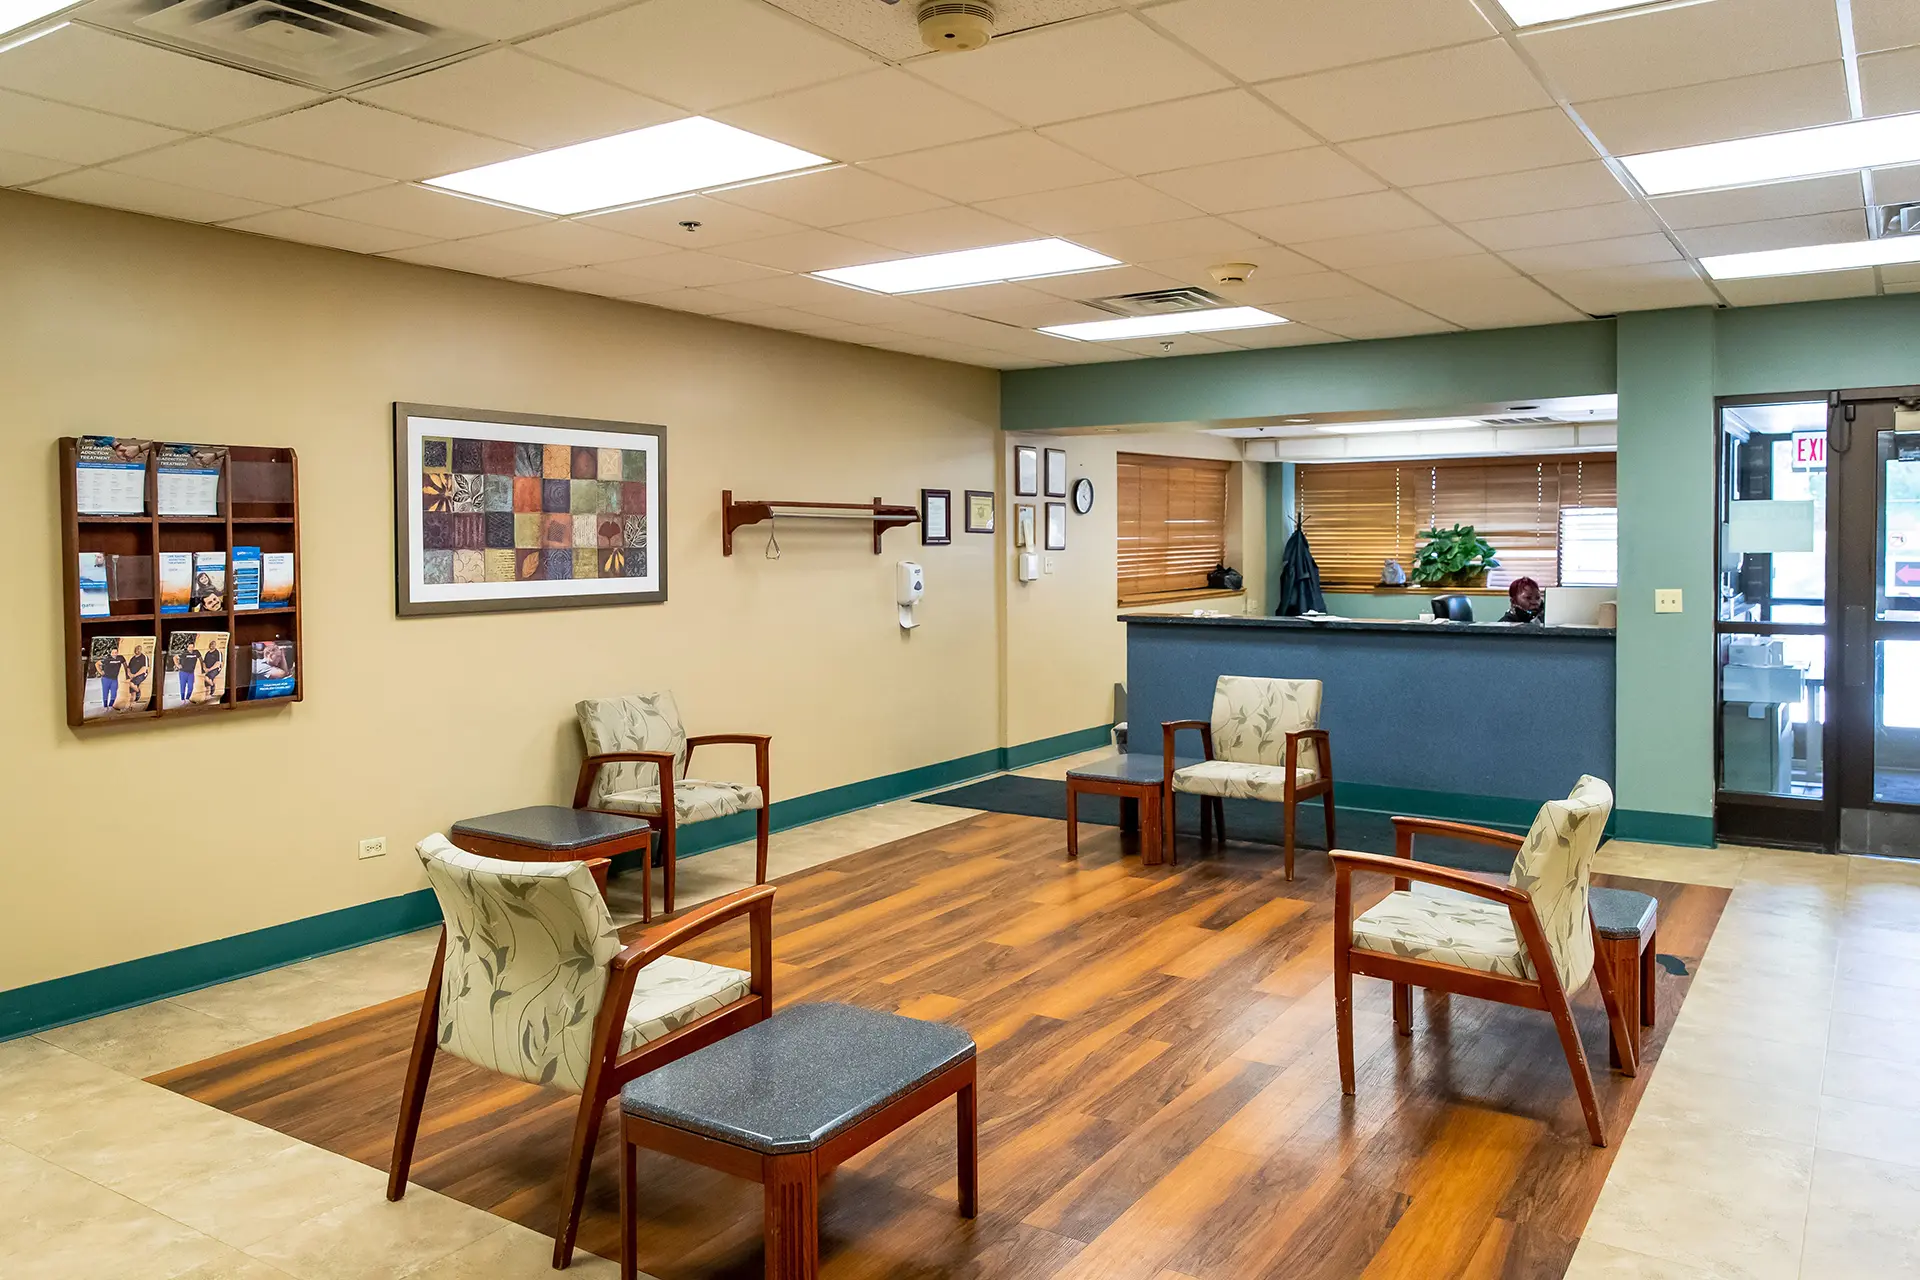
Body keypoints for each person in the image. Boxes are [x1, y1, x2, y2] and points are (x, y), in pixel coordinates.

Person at [98, 644, 125, 711]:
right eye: (113, 652)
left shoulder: (120, 658)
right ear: (110, 653)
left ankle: (110, 706)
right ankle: (105, 706)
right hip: (106, 678)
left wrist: (128, 671)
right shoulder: (107, 659)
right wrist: (100, 672)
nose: (114, 654)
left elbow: (125, 664)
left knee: (114, 693)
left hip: (114, 679)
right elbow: (97, 664)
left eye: (116, 652)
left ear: (117, 652)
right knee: (105, 693)